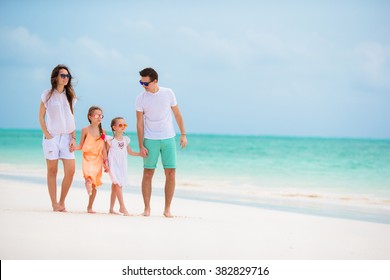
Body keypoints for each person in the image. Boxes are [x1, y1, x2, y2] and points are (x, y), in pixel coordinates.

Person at [136, 67, 187, 218]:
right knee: (148, 173)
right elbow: (139, 123)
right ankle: (147, 209)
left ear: (155, 81)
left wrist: (183, 134)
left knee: (171, 173)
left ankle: (167, 209)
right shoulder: (140, 98)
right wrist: (140, 145)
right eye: (141, 82)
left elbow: (177, 114)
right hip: (150, 139)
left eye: (146, 83)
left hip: (168, 138)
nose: (143, 86)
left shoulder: (168, 93)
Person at [39, 64, 77, 212]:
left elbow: (71, 117)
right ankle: (54, 204)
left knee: (71, 171)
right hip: (52, 137)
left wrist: (74, 137)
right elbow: (41, 116)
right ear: (56, 77)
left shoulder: (70, 96)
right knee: (52, 170)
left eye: (67, 76)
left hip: (67, 137)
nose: (66, 78)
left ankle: (62, 201)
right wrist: (47, 135)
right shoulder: (47, 94)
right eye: (63, 75)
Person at [75, 106, 109, 213]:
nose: (99, 117)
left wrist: (105, 162)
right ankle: (87, 183)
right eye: (97, 115)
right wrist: (73, 148)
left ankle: (90, 207)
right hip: (87, 158)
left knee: (95, 185)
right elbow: (81, 145)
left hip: (98, 160)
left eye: (101, 116)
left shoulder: (103, 132)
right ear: (90, 117)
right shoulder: (85, 130)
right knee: (89, 178)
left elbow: (103, 148)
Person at [106, 117, 141, 216]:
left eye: (124, 125)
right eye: (120, 125)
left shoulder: (126, 139)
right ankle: (122, 207)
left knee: (114, 186)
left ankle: (111, 209)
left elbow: (130, 152)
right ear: (114, 127)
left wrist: (139, 154)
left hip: (122, 166)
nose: (123, 127)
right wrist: (105, 164)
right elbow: (105, 152)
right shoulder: (110, 140)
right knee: (118, 184)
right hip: (113, 165)